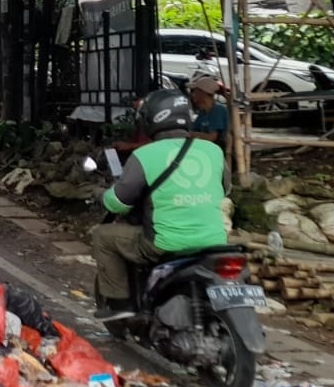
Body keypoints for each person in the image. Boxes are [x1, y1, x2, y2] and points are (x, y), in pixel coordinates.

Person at [91, 89, 229, 321]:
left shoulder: (146, 155)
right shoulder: (213, 151)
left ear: (151, 119)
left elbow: (118, 202)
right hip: (214, 242)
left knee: (103, 236)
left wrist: (99, 195)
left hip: (165, 243)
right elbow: (225, 189)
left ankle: (120, 304)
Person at [188, 72, 230, 148]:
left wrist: (192, 134)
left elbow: (212, 137)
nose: (192, 94)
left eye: (194, 91)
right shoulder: (203, 111)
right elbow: (193, 129)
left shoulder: (218, 110)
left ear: (202, 93)